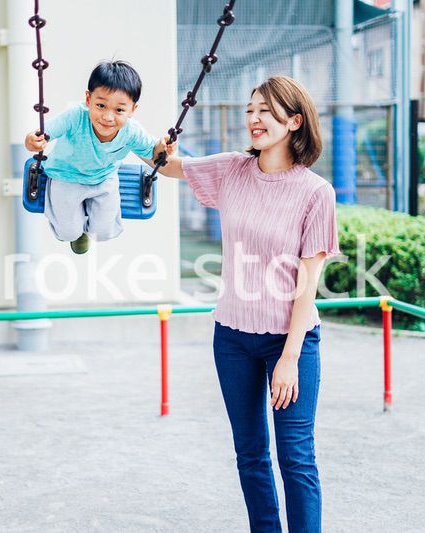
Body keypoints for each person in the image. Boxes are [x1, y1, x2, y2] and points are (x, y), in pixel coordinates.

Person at [156, 76, 338, 532]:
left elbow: (307, 286)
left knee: (296, 457)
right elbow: (170, 165)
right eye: (251, 109)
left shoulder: (316, 193)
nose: (254, 119)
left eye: (266, 110)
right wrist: (117, 127)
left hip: (289, 342)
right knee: (250, 453)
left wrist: (290, 358)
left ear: (294, 122)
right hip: (232, 337)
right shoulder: (232, 170)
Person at [25, 60, 175, 254]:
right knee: (68, 232)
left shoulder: (131, 132)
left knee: (102, 232)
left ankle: (87, 226)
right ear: (88, 100)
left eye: (119, 109)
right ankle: (77, 232)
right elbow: (43, 134)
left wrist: (164, 147)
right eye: (101, 105)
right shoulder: (75, 117)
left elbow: (154, 151)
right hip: (65, 176)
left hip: (103, 178)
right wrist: (32, 141)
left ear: (132, 110)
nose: (108, 117)